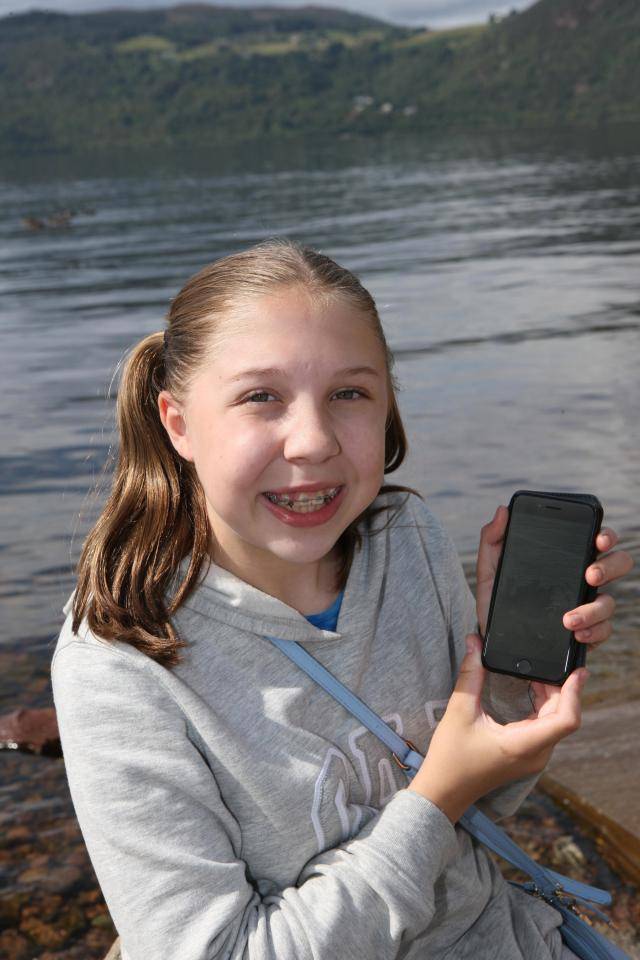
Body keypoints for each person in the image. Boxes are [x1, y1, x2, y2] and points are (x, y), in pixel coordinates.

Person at [51, 238, 634, 960]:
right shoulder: (120, 662)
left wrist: (512, 678)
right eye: (261, 397)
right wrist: (434, 801)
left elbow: (487, 809)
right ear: (177, 424)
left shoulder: (405, 536)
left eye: (349, 394)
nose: (313, 440)